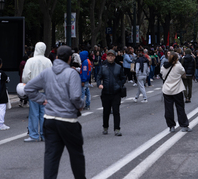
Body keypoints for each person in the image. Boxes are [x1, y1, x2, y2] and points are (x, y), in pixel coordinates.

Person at [25, 45, 85, 179]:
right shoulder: (72, 73)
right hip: (68, 120)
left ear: (56, 57)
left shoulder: (47, 73)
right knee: (76, 154)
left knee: (51, 156)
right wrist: (81, 104)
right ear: (70, 58)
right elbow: (75, 97)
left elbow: (28, 88)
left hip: (50, 119)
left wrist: (43, 100)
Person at [22, 42, 53, 142]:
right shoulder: (48, 61)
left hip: (34, 91)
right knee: (44, 113)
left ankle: (34, 135)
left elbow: (25, 76)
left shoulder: (30, 61)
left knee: (33, 113)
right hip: (45, 91)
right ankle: (44, 134)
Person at [97, 49, 125, 135]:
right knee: (106, 111)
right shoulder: (103, 67)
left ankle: (117, 129)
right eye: (109, 56)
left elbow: (123, 78)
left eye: (112, 56)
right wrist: (99, 84)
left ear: (114, 57)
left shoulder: (119, 67)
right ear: (106, 57)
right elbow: (98, 77)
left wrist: (119, 85)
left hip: (116, 93)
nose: (110, 57)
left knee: (116, 111)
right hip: (106, 93)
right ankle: (105, 127)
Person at [162, 52, 191, 132]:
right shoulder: (178, 66)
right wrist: (177, 62)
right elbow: (183, 72)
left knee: (168, 109)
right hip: (177, 90)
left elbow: (163, 76)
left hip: (167, 90)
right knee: (180, 107)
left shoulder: (164, 67)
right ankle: (184, 125)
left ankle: (171, 126)